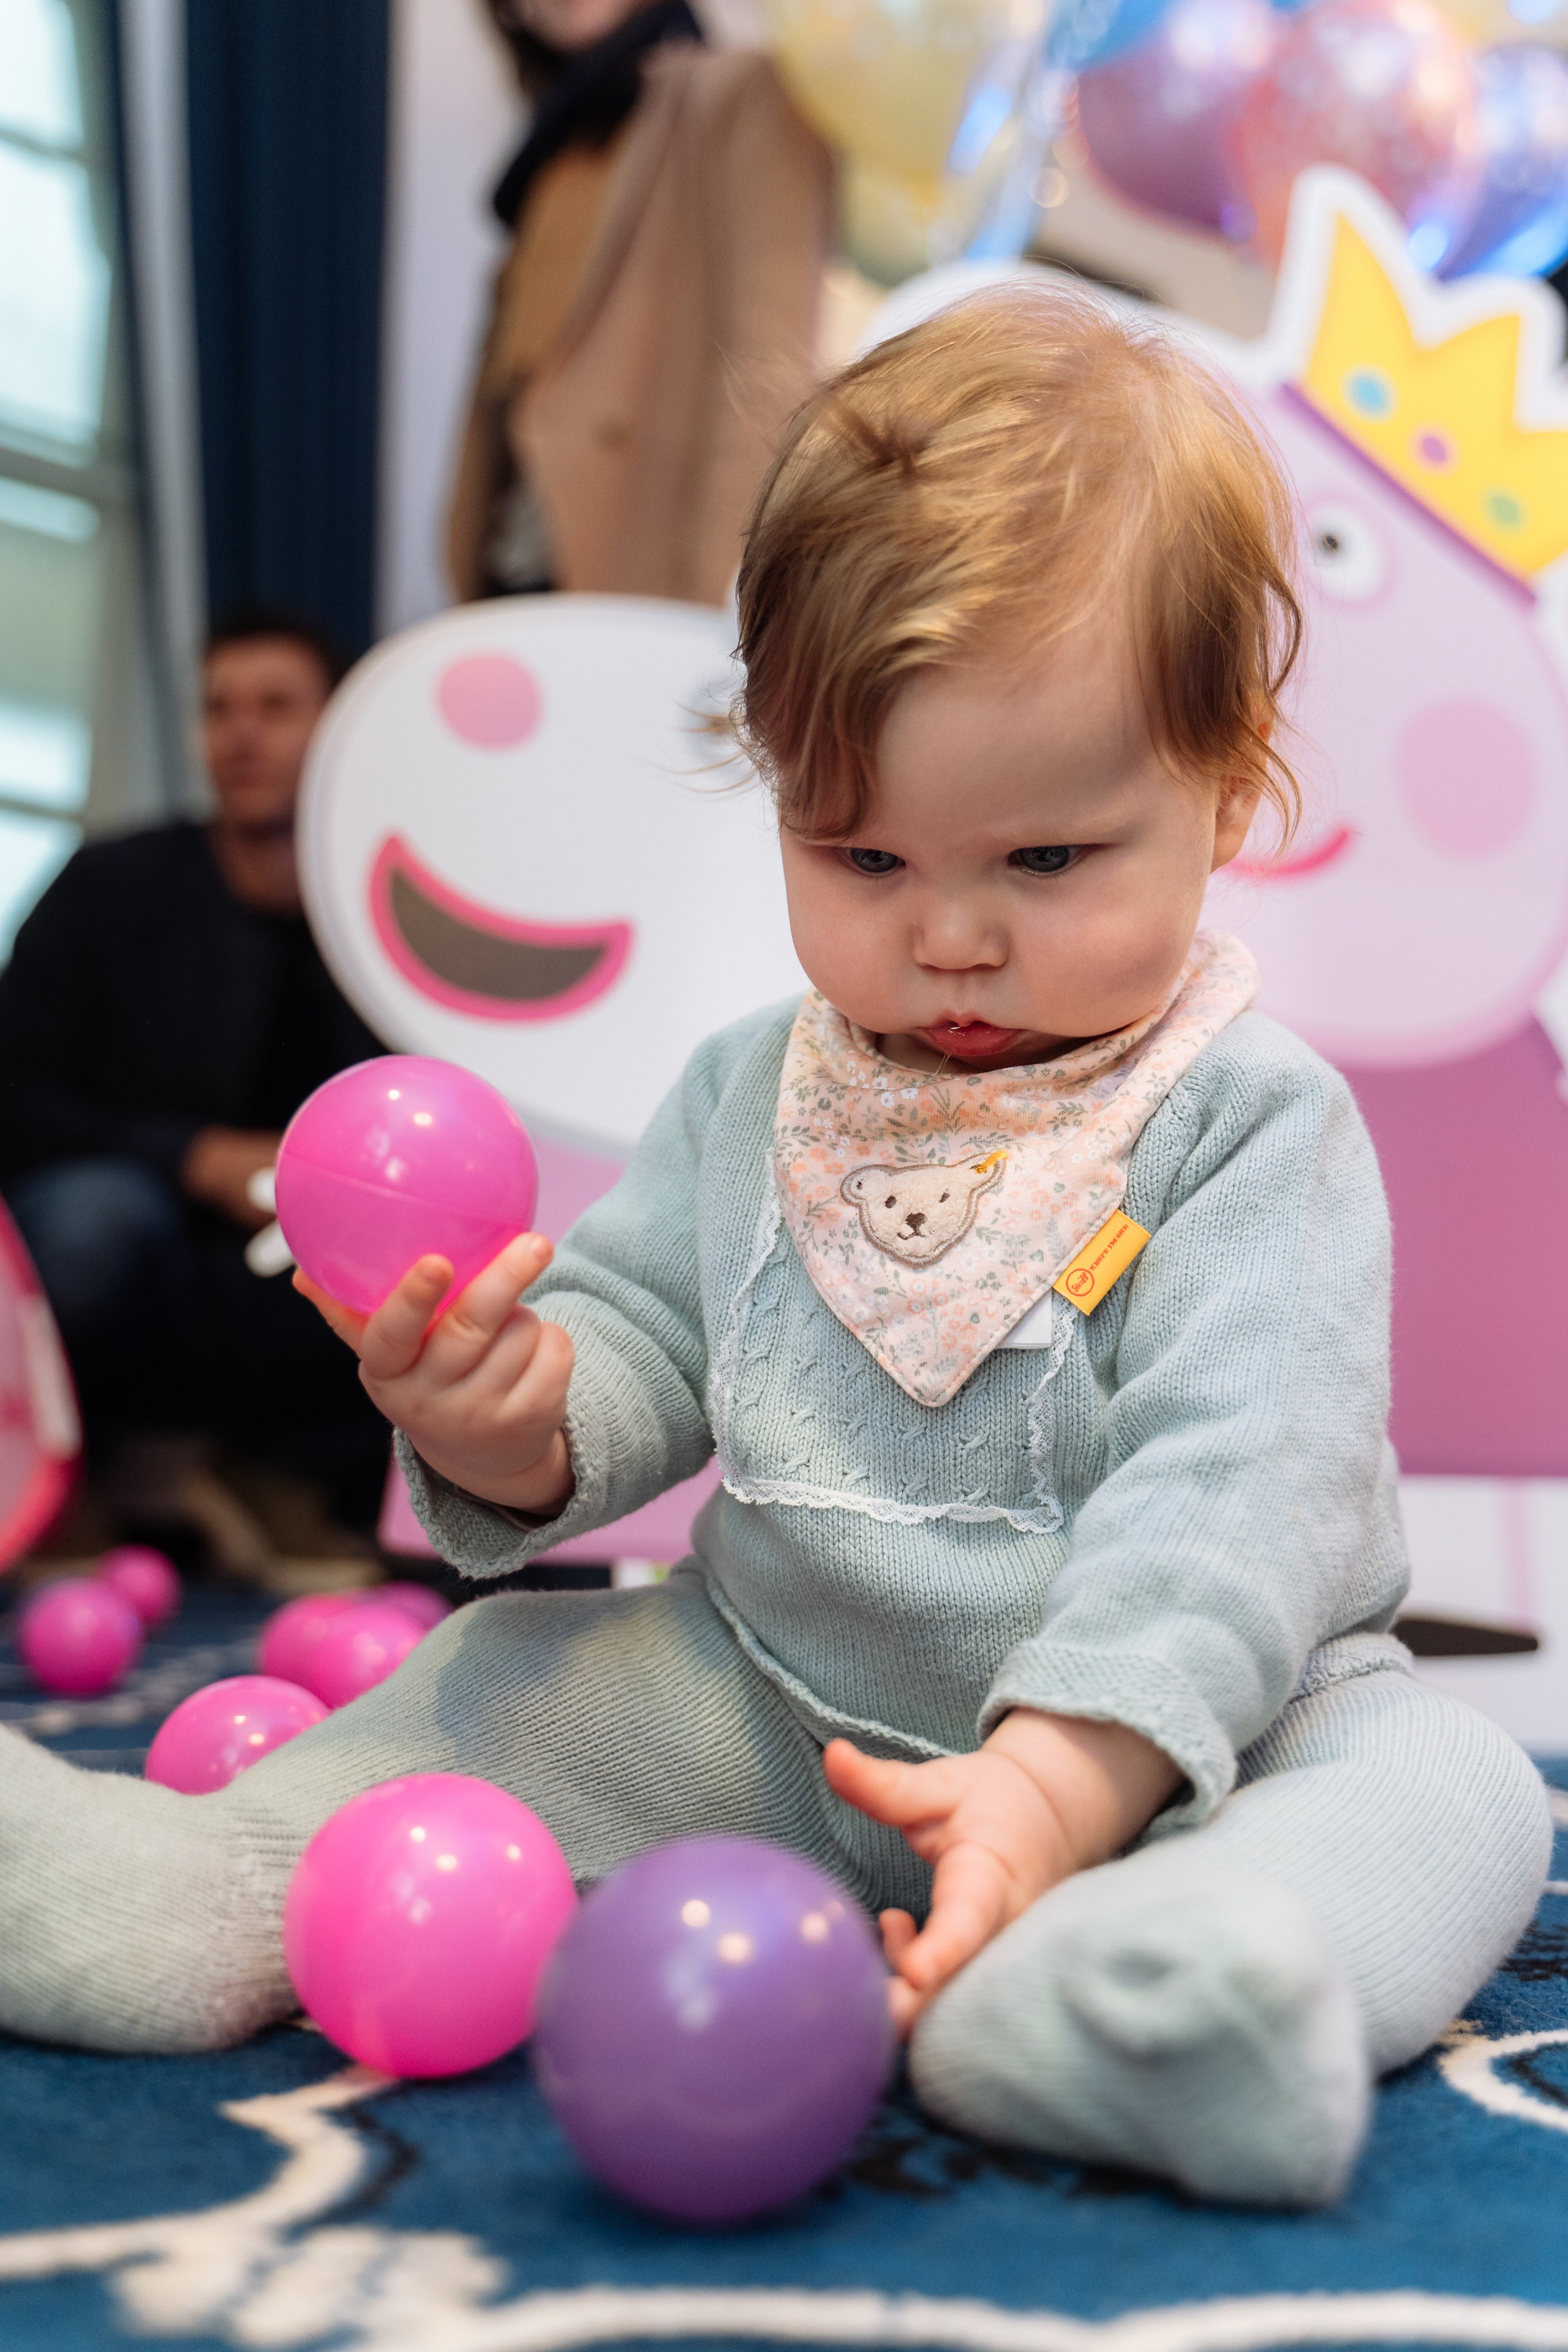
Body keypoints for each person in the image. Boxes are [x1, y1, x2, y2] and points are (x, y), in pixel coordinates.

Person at [0, 293, 1547, 2207]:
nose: (953, 938)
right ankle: (200, 1891)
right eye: (866, 859)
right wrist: (507, 1407)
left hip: (1180, 1743)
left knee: (1444, 1785)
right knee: (492, 1672)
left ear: (1228, 789)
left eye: (1045, 861)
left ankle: (1146, 1988)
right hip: (771, 1699)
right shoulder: (758, 1086)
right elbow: (640, 1338)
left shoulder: (1251, 1119)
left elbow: (1244, 1484)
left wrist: (1063, 1780)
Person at [0, 608, 391, 1548]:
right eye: (220, 709)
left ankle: (279, 1480)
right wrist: (196, 1157)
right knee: (94, 1222)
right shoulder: (108, 886)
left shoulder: (386, 918)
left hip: (297, 1239)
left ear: (339, 727)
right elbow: (13, 1092)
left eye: (276, 707)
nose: (242, 733)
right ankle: (72, 1481)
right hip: (137, 1217)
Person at [446, 0, 832, 605]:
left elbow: (769, 372)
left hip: (639, 567)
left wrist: (720, 600)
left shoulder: (744, 97)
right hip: (516, 560)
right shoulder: (550, 145)